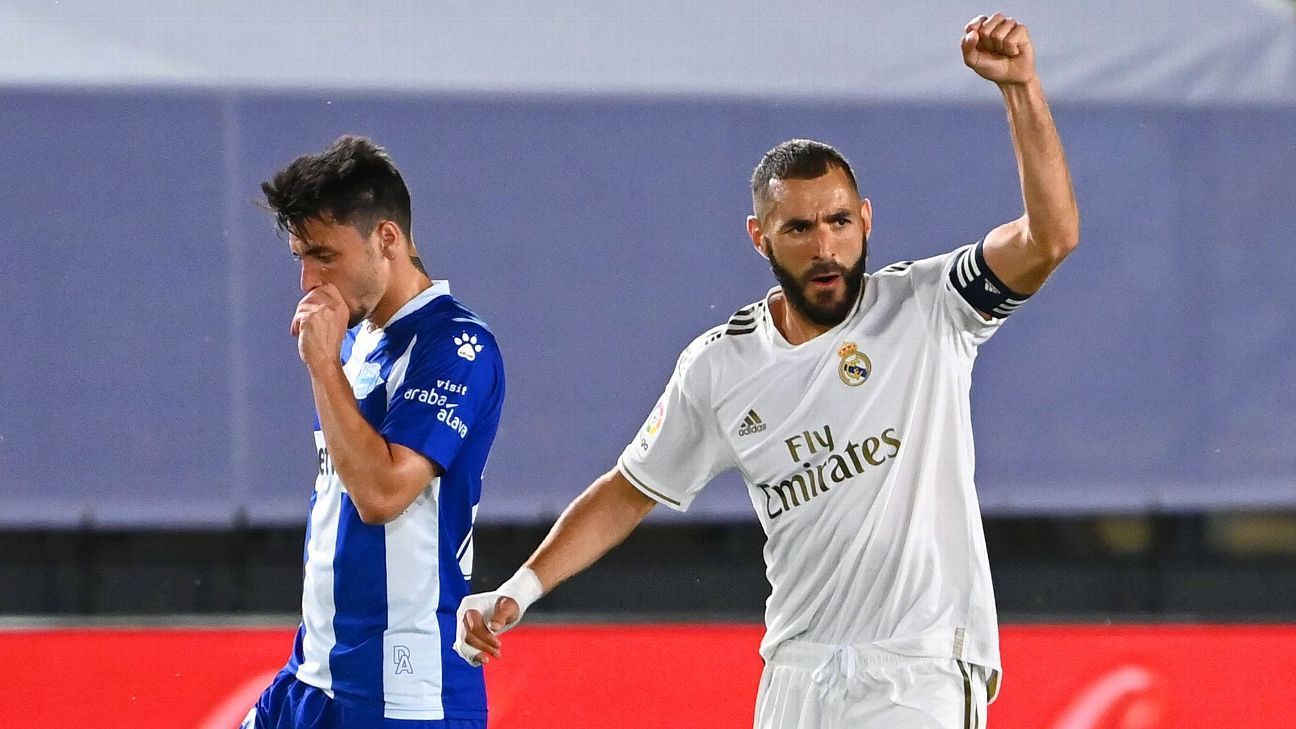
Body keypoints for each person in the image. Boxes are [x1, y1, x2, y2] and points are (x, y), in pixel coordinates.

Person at [455, 13, 1077, 728]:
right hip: (796, 675)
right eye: (799, 228)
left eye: (839, 221)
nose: (825, 246)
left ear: (866, 219)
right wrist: (521, 587)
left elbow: (1050, 237)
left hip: (918, 669)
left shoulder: (929, 305)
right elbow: (629, 489)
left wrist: (1021, 88)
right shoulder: (721, 365)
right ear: (760, 237)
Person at [244, 135, 505, 729]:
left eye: (324, 255)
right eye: (300, 257)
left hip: (405, 696)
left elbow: (382, 494)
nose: (308, 281)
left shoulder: (457, 346)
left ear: (387, 239)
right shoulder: (358, 342)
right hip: (314, 678)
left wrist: (322, 365)